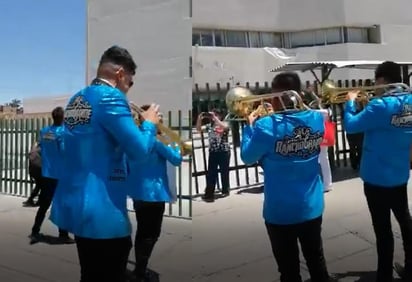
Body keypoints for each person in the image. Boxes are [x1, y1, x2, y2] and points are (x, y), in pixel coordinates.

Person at [49, 46, 160, 282]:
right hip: (103, 211)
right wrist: (149, 124)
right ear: (120, 74)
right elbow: (140, 152)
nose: (128, 88)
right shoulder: (111, 97)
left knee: (89, 273)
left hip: (77, 205)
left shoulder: (76, 99)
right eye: (130, 82)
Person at [241, 72, 333, 282]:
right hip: (311, 205)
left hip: (280, 210)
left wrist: (249, 126)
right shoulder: (316, 119)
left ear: (277, 96)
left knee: (289, 271)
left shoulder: (266, 126)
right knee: (316, 261)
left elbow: (247, 156)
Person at [344, 61, 412, 281]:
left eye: (376, 81)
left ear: (381, 80)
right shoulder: (409, 101)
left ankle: (384, 274)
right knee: (405, 220)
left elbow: (351, 125)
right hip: (400, 174)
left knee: (382, 229)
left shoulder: (380, 105)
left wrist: (350, 104)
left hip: (376, 178)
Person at [127, 105, 182, 282]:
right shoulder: (157, 142)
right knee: (151, 234)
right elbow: (176, 159)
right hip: (154, 193)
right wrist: (174, 142)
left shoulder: (134, 140)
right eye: (157, 115)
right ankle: (140, 272)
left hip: (137, 191)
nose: (160, 118)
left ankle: (139, 270)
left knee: (142, 232)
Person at [29, 107, 74, 244]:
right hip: (59, 175)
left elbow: (41, 147)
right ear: (63, 118)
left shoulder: (44, 131)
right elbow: (64, 152)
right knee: (61, 205)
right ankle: (63, 234)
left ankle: (35, 231)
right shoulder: (62, 133)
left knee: (44, 204)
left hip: (46, 172)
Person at [196, 109, 231, 202]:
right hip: (213, 152)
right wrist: (199, 119)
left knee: (224, 171)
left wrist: (215, 118)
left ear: (219, 115)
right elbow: (199, 129)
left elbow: (226, 127)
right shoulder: (209, 126)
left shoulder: (224, 123)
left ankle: (225, 189)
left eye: (216, 114)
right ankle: (209, 192)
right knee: (211, 173)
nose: (213, 116)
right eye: (212, 115)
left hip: (224, 151)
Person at [23, 142, 42, 207]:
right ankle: (32, 200)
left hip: (33, 169)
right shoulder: (42, 148)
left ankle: (36, 200)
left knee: (40, 185)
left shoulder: (34, 146)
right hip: (39, 169)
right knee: (41, 185)